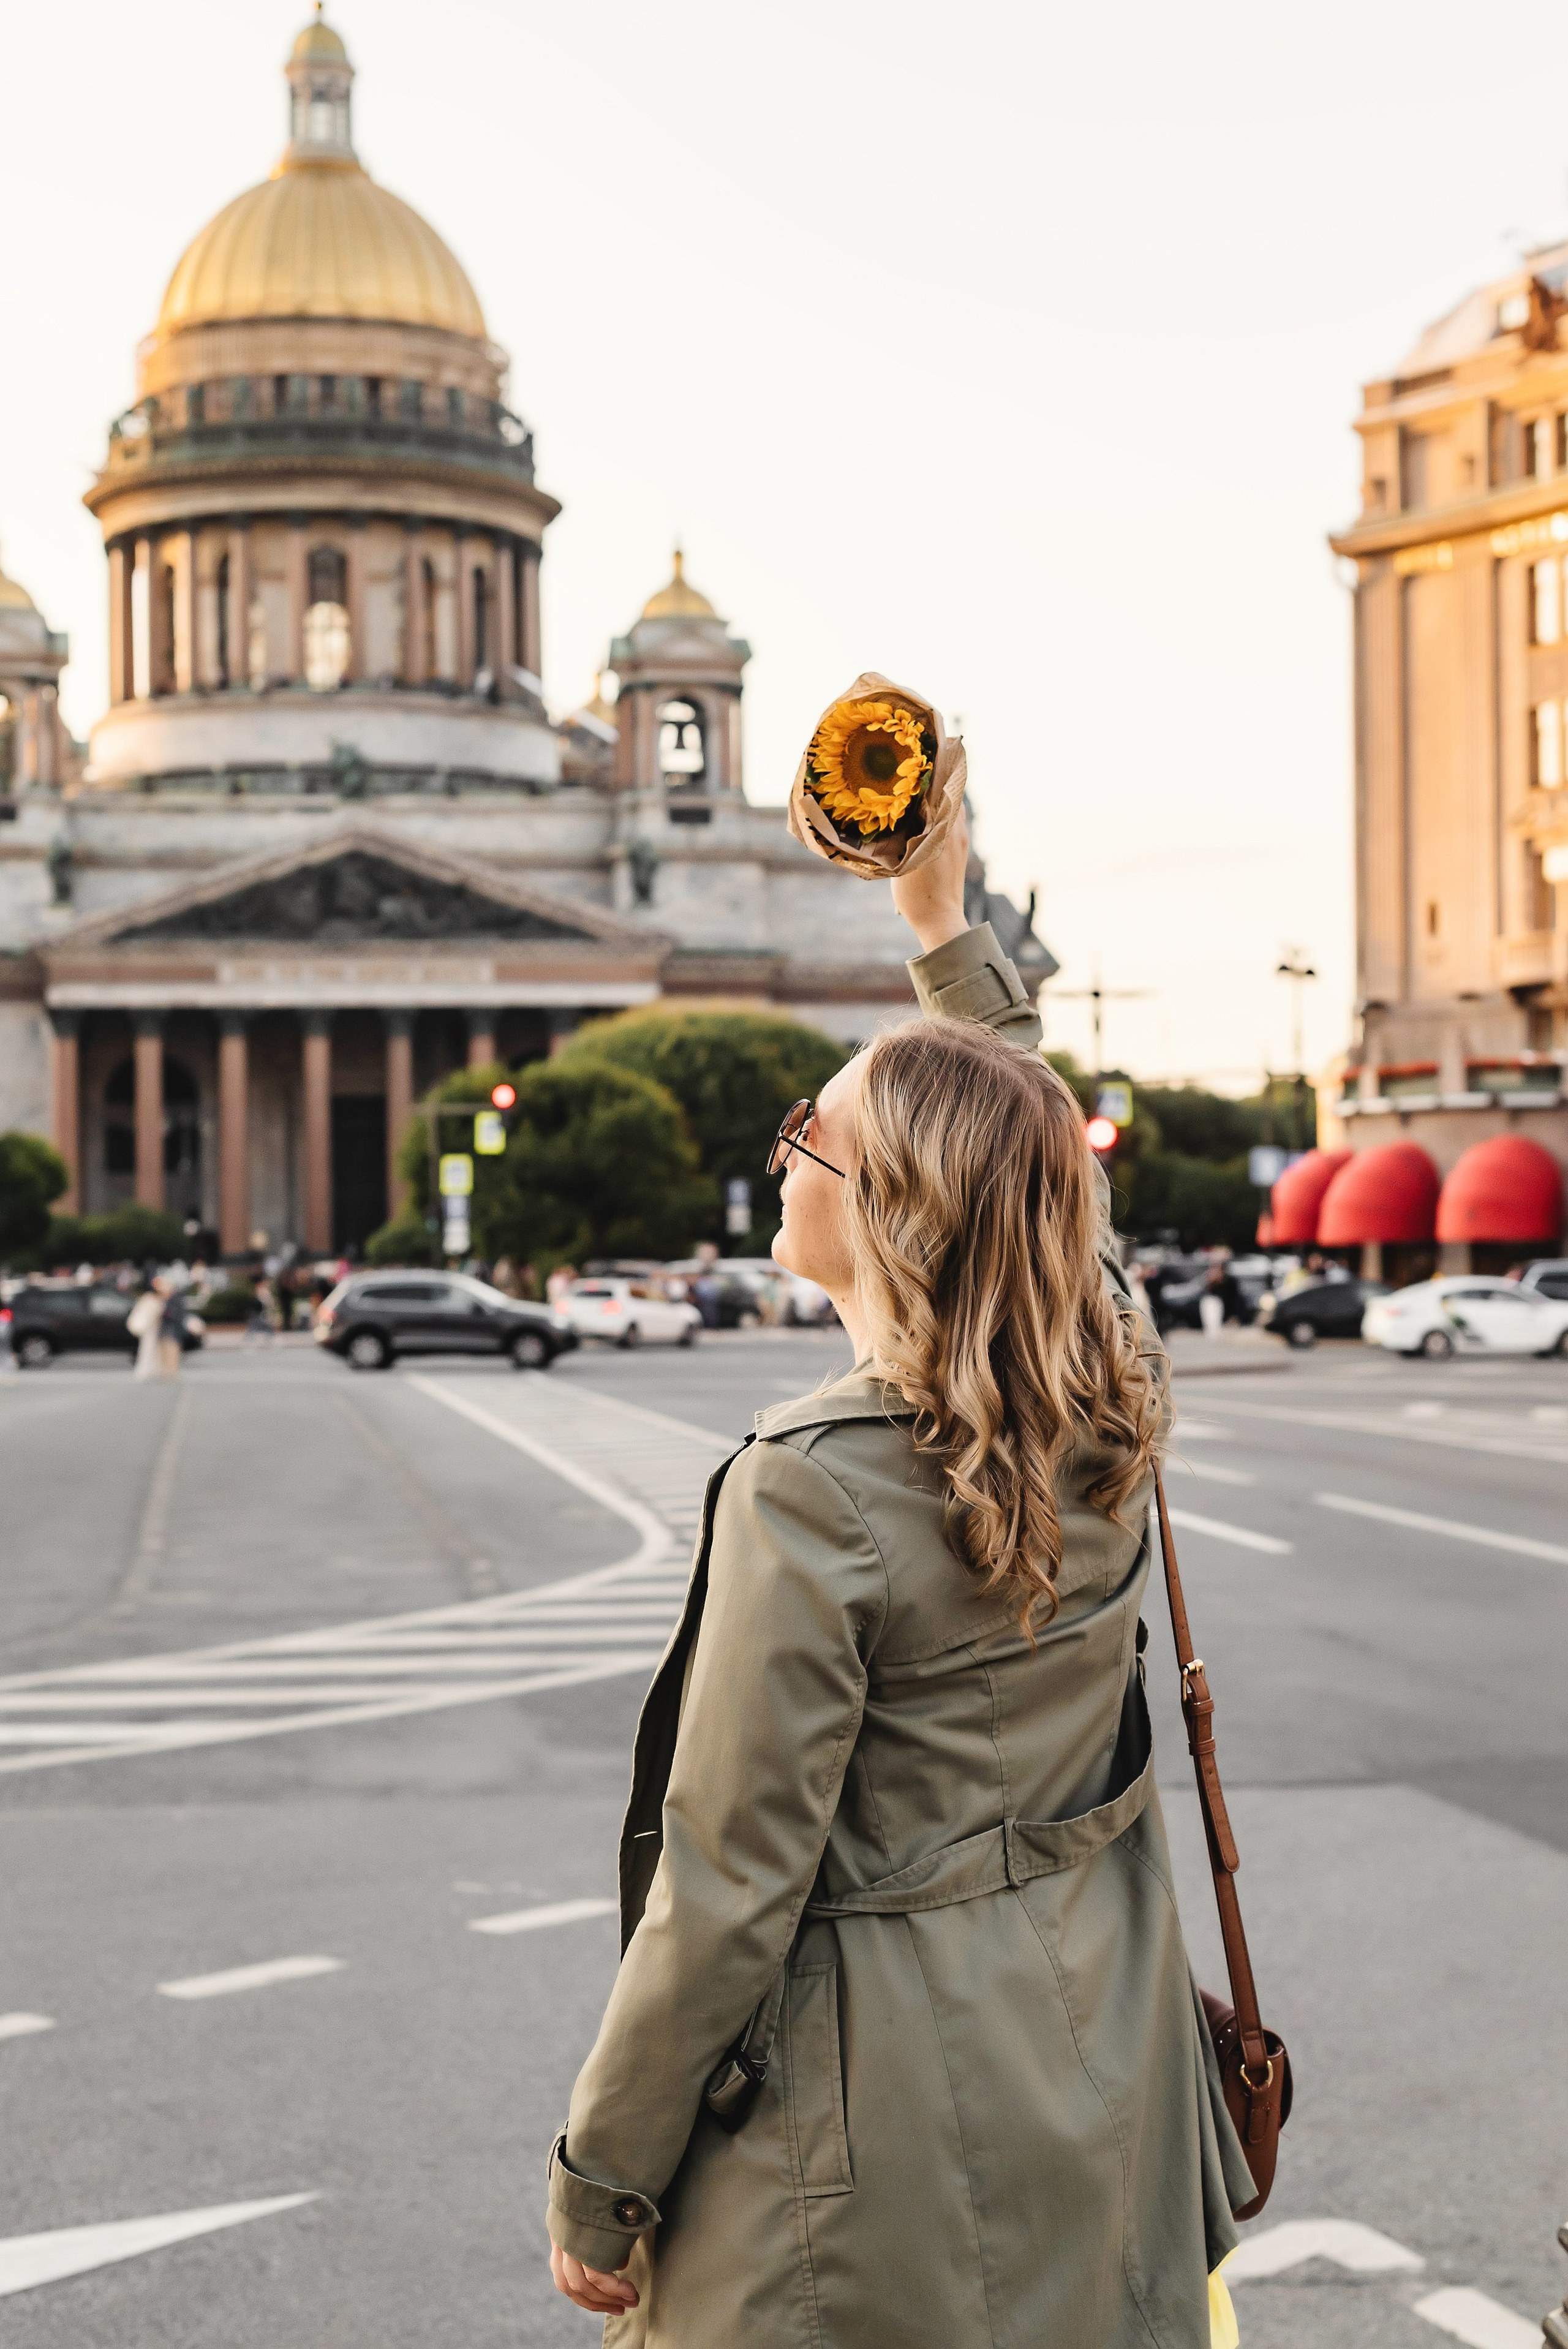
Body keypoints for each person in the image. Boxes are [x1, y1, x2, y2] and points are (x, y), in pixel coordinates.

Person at [546, 813, 1253, 2347]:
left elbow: (730, 1879)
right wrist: (938, 920)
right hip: (1100, 2059)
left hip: (874, 2132)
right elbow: (1041, 1169)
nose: (782, 1145)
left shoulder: (816, 1481)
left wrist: (603, 2177)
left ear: (891, 1209)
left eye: (812, 1127)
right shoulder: (1106, 1381)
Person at [127, 1277, 163, 1379]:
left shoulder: (154, 1298)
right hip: (149, 1329)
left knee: (152, 1350)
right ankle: (146, 1371)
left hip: (154, 1329)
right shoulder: (149, 1299)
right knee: (147, 1349)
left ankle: (153, 1370)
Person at [157, 1280, 187, 1378]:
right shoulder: (164, 1299)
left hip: (173, 1330)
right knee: (164, 1351)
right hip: (164, 1330)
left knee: (173, 1351)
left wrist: (163, 1313)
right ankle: (166, 1371)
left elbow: (175, 1314)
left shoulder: (175, 1299)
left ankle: (172, 1372)